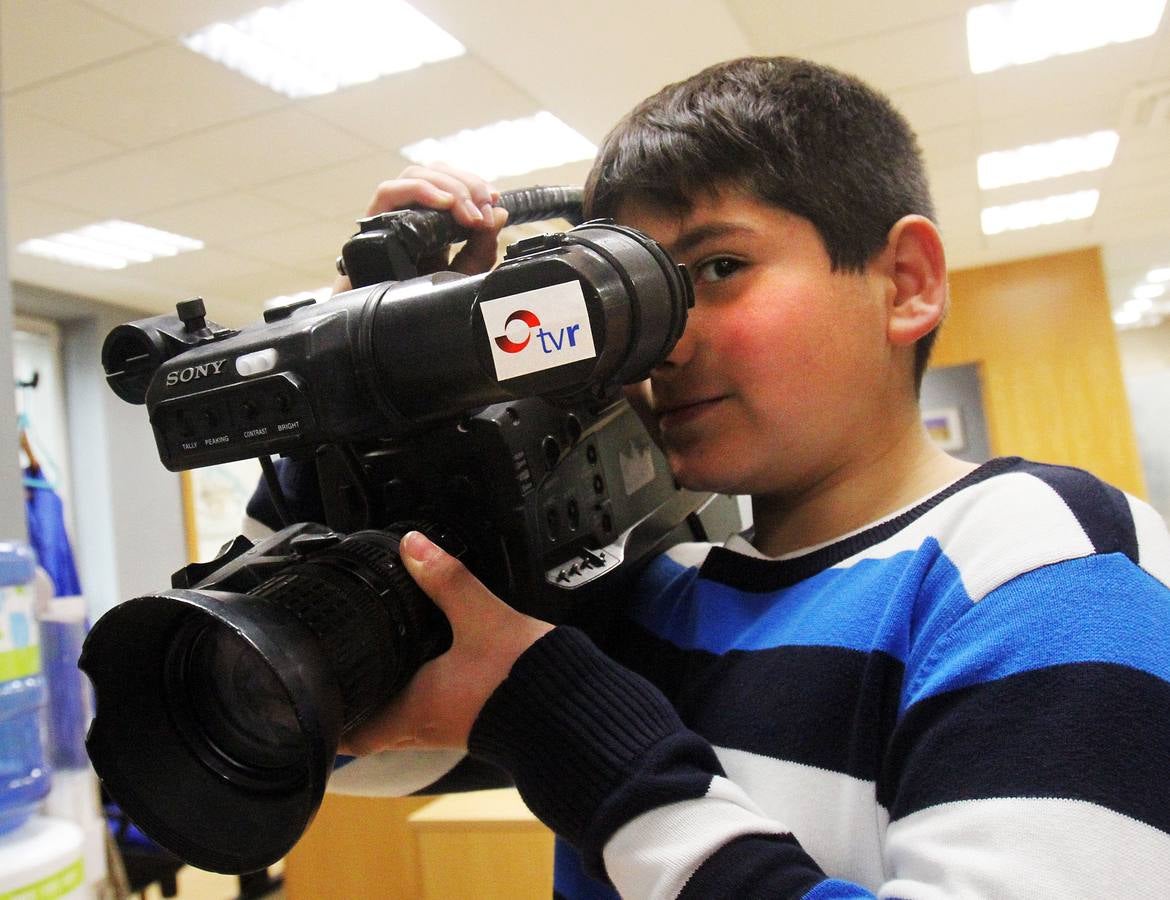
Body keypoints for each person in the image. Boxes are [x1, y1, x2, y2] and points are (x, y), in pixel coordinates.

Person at [256, 57, 1170, 897]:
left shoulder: (1044, 559)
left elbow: (562, 731)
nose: (667, 343)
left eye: (719, 269)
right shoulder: (657, 593)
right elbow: (319, 735)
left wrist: (578, 732)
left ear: (905, 281)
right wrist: (359, 398)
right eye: (637, 301)